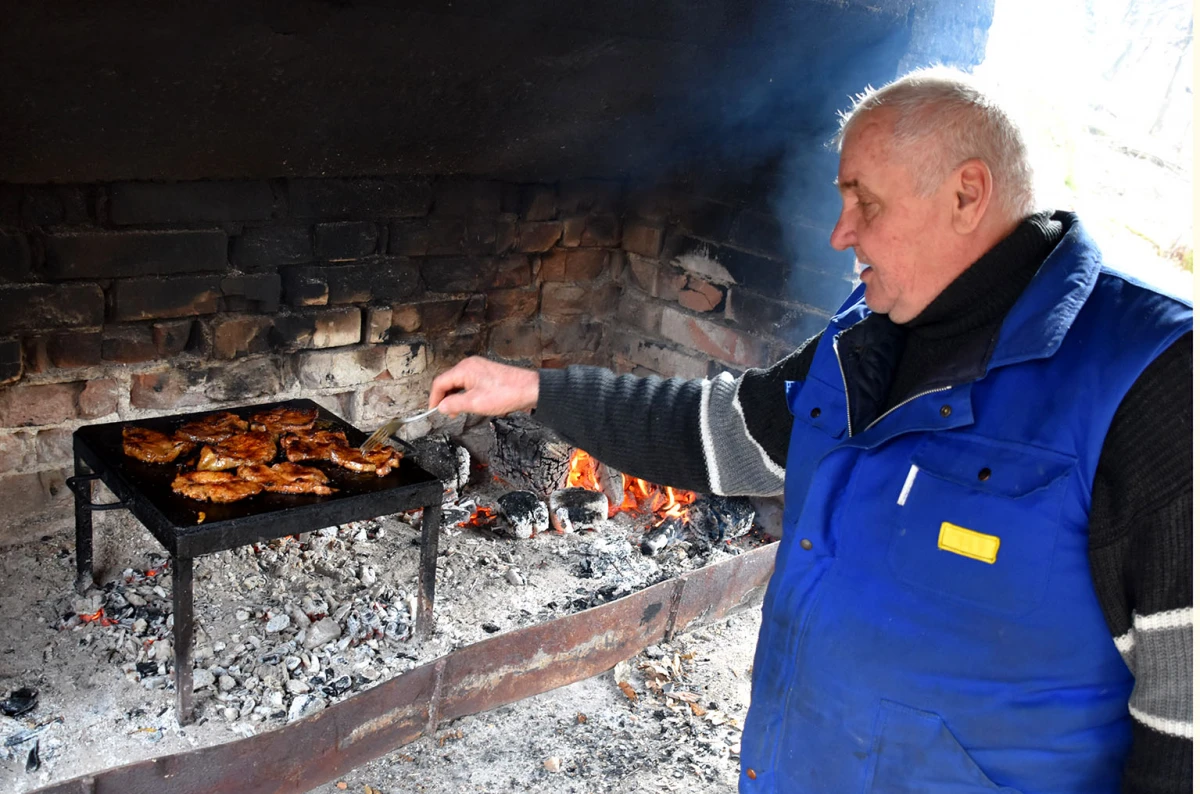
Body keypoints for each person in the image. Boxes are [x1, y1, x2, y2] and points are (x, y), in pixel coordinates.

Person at [428, 66, 1193, 793]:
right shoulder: (866, 334)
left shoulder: (1154, 379)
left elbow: (1185, 725)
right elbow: (716, 435)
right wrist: (537, 390)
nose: (839, 233)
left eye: (866, 203)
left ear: (967, 194)